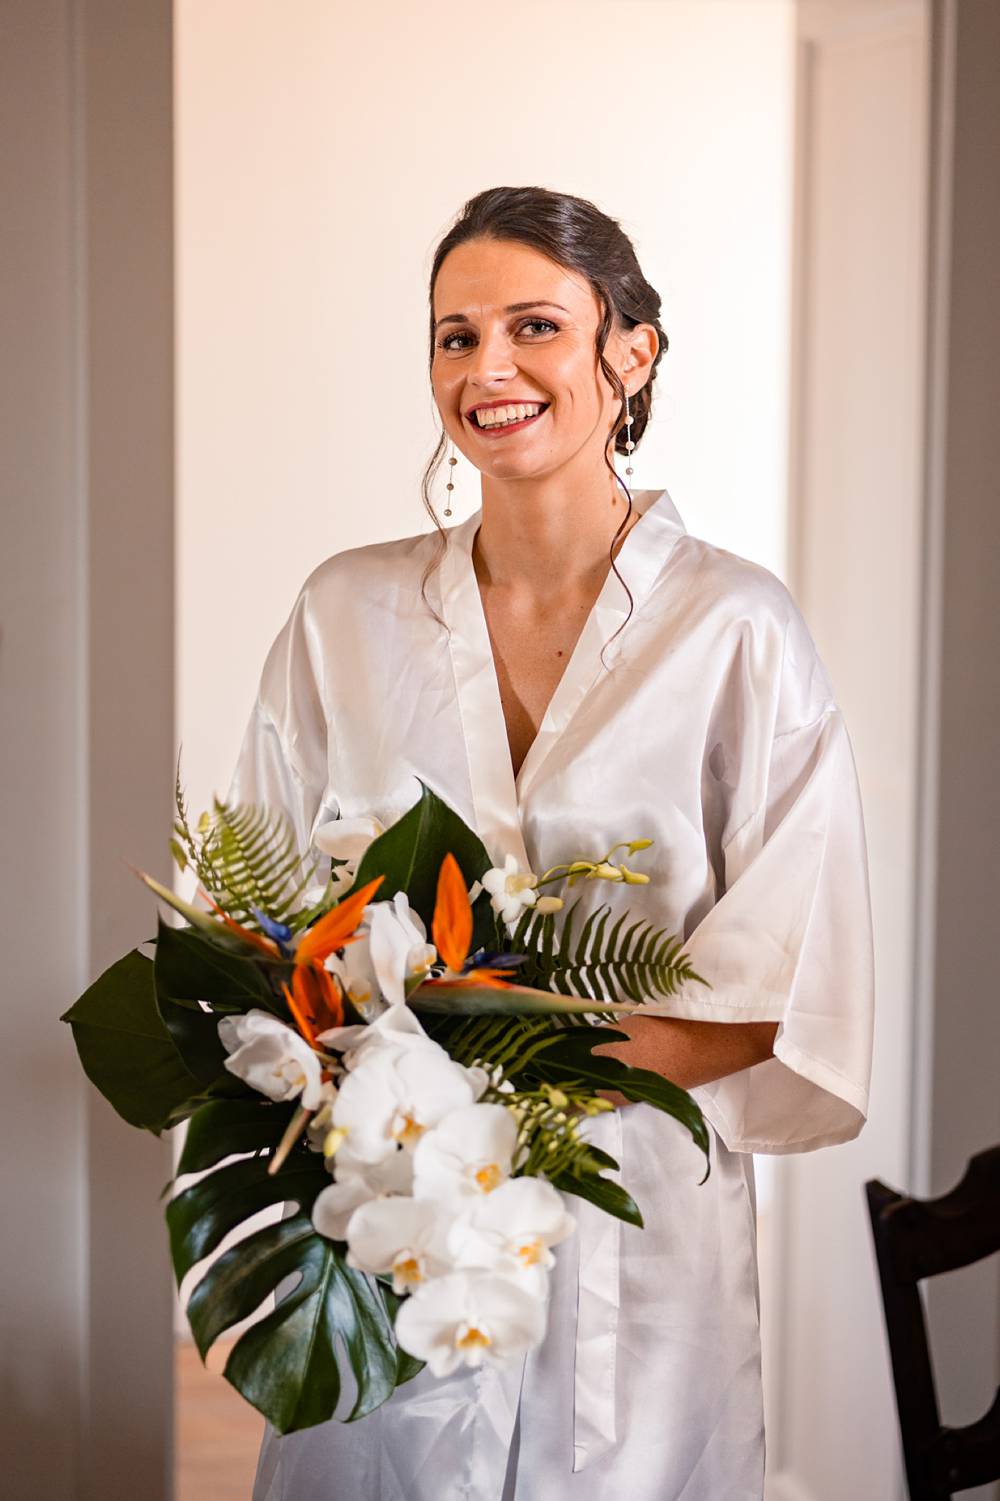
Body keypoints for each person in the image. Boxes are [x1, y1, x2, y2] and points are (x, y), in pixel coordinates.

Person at [228, 185, 875, 1501]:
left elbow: (785, 981)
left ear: (627, 351)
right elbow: (256, 922)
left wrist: (505, 1075)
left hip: (638, 1234)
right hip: (395, 1218)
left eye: (534, 325)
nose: (489, 369)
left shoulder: (737, 629)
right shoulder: (342, 614)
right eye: (454, 336)